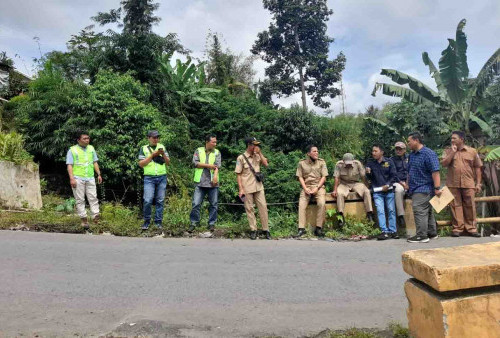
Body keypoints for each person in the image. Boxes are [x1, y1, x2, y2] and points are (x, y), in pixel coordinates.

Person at [441, 131, 482, 237]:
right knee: (455, 206)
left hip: (468, 183)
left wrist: (478, 184)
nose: (452, 140)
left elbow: (477, 168)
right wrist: (452, 153)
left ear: (462, 139)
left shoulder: (472, 151)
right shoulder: (447, 151)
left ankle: (471, 228)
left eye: (454, 138)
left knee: (470, 206)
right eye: (451, 138)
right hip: (452, 184)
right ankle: (458, 228)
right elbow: (444, 164)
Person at [406, 132, 441, 243]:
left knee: (419, 210)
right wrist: (407, 183)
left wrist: (437, 188)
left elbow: (435, 172)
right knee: (428, 211)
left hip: (424, 188)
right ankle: (431, 233)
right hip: (414, 187)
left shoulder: (429, 153)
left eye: (409, 141)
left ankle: (421, 235)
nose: (408, 144)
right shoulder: (412, 155)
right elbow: (410, 170)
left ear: (416, 140)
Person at [235, 137, 270, 240]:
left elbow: (266, 164)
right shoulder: (241, 158)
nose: (256, 146)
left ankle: (266, 229)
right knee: (249, 209)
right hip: (247, 187)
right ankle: (253, 230)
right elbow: (238, 175)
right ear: (249, 145)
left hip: (259, 187)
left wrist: (260, 153)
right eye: (254, 144)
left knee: (263, 207)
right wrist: (241, 189)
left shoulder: (257, 156)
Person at [66, 131, 102, 229]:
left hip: (90, 177)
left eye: (88, 138)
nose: (87, 140)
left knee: (93, 197)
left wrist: (98, 174)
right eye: (84, 139)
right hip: (78, 178)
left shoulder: (91, 148)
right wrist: (72, 178)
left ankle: (95, 217)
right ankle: (84, 220)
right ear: (78, 140)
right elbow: (69, 165)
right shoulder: (72, 150)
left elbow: (95, 162)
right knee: (80, 199)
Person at [138, 130, 170, 230]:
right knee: (147, 200)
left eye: (157, 137)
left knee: (160, 200)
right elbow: (141, 164)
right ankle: (146, 221)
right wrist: (153, 155)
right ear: (149, 138)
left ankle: (158, 222)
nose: (156, 139)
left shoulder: (162, 147)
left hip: (162, 177)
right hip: (149, 178)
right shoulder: (143, 148)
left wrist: (163, 154)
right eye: (154, 137)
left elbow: (168, 162)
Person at [189, 135, 221, 233]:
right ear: (207, 142)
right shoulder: (198, 150)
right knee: (196, 203)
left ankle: (211, 223)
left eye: (215, 142)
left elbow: (218, 166)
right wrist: (209, 166)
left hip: (213, 183)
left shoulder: (217, 152)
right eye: (213, 142)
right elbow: (195, 163)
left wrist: (215, 176)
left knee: (214, 204)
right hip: (200, 181)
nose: (215, 144)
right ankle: (194, 222)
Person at [294, 145, 328, 238]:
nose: (316, 153)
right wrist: (305, 188)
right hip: (307, 187)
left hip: (319, 187)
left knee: (321, 203)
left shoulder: (321, 162)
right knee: (301, 204)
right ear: (308, 153)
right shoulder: (301, 163)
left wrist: (317, 188)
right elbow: (300, 177)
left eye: (317, 151)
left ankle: (318, 228)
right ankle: (301, 229)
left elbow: (324, 177)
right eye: (314, 151)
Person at [332, 153, 375, 225]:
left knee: (366, 191)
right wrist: (335, 190)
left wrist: (367, 186)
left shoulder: (357, 164)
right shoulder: (339, 164)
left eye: (350, 163)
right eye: (347, 163)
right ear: (343, 161)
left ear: (353, 160)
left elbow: (363, 176)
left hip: (355, 183)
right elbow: (336, 177)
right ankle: (340, 215)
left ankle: (369, 213)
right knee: (339, 193)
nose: (348, 164)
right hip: (344, 184)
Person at [366, 145, 398, 240]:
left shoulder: (389, 162)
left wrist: (387, 185)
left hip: (389, 190)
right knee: (380, 211)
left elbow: (394, 176)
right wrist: (368, 173)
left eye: (375, 151)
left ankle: (393, 231)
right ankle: (384, 231)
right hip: (377, 191)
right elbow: (369, 178)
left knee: (391, 210)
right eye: (373, 151)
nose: (373, 153)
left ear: (382, 152)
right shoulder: (370, 163)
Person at [391, 141, 409, 226]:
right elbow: (393, 174)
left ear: (404, 150)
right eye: (397, 149)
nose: (398, 151)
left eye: (400, 149)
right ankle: (401, 215)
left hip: (409, 181)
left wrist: (408, 183)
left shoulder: (410, 157)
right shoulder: (392, 160)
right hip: (398, 181)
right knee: (398, 190)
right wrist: (402, 183)